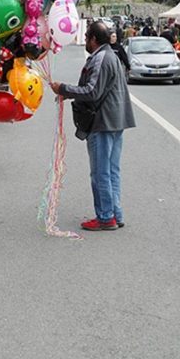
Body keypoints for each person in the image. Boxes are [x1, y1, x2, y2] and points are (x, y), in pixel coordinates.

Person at [49, 22, 136, 231]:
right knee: (111, 170)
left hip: (103, 122)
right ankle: (115, 212)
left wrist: (64, 88)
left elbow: (92, 91)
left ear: (93, 39)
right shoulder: (110, 55)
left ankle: (106, 217)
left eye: (87, 37)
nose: (86, 41)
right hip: (115, 121)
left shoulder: (101, 58)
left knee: (100, 173)